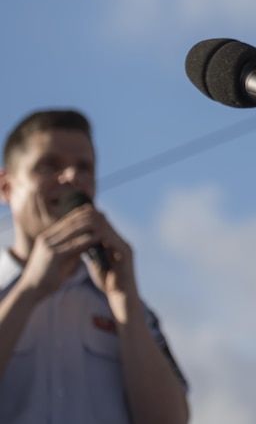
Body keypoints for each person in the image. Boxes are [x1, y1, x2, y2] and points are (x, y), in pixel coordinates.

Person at [0, 109, 189, 424]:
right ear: (6, 186)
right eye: (49, 165)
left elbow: (170, 420)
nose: (73, 177)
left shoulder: (131, 308)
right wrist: (30, 288)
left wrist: (123, 297)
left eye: (84, 168)